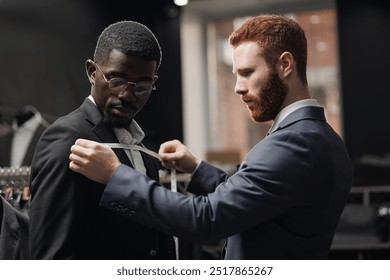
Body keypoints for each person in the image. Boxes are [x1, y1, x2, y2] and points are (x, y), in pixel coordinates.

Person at [69, 14, 353, 259]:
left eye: (247, 73)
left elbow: (205, 219)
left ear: (285, 65)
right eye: (235, 75)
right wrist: (196, 169)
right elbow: (255, 199)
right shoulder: (323, 138)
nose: (238, 88)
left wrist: (116, 175)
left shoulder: (294, 144)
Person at [29, 21, 176, 259]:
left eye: (142, 86)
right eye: (116, 80)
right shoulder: (68, 138)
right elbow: (51, 256)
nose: (127, 95)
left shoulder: (143, 149)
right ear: (92, 71)